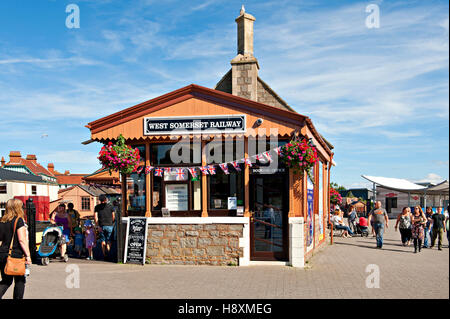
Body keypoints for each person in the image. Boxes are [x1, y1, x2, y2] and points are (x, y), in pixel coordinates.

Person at [0, 199, 32, 299]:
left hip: (2, 253)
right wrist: (28, 255)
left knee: (6, 280)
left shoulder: (2, 220)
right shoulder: (18, 220)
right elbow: (22, 240)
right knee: (20, 281)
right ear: (18, 208)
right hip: (15, 254)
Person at [94, 194, 115, 260]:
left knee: (102, 240)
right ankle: (108, 253)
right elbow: (113, 216)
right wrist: (112, 222)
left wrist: (97, 225)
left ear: (99, 200)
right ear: (105, 199)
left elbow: (95, 217)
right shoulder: (111, 206)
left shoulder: (97, 207)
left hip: (101, 226)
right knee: (109, 240)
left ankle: (104, 255)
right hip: (110, 225)